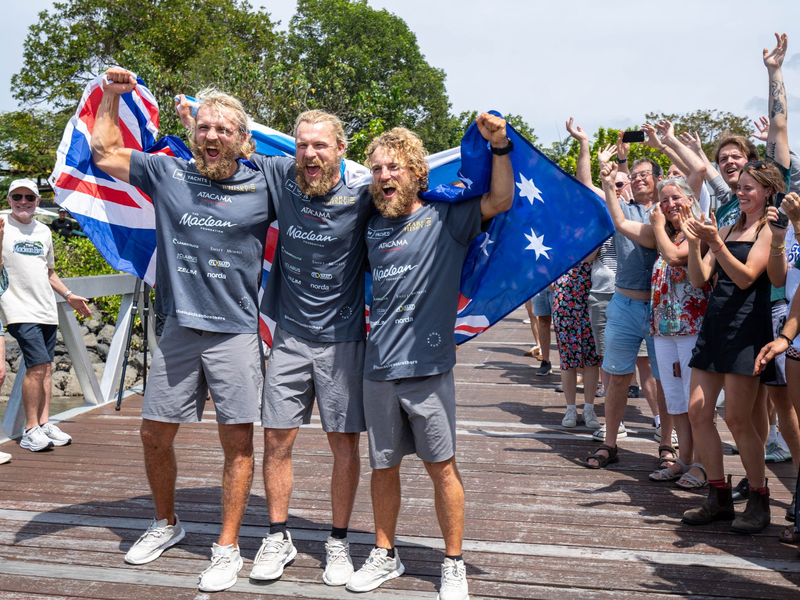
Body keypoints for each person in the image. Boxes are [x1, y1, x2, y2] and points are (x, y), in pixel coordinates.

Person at [91, 68, 275, 592]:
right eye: (204, 129)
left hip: (236, 331)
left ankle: (227, 547)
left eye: (224, 130)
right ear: (193, 135)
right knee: (153, 433)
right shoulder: (167, 172)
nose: (212, 137)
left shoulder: (265, 180)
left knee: (237, 441)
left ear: (243, 139)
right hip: (177, 327)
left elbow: (322, 185)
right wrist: (110, 93)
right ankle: (167, 524)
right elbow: (104, 151)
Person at [346, 116, 513, 599]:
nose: (383, 176)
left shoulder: (447, 217)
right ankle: (385, 553)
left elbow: (500, 201)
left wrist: (499, 146)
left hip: (429, 371)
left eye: (393, 167)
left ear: (417, 173)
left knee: (442, 468)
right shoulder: (371, 225)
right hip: (377, 370)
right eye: (376, 169)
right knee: (383, 467)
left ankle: (453, 562)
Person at [238, 110, 373, 587]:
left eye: (320, 145)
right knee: (276, 439)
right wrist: (195, 115)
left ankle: (337, 541)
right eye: (302, 145)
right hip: (290, 337)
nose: (310, 154)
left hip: (343, 341)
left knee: (344, 444)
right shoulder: (282, 176)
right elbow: (232, 148)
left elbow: (414, 208)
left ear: (340, 148)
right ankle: (278, 536)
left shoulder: (364, 194)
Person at [679, 157, 784, 533]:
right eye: (738, 187)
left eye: (748, 188)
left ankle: (759, 498)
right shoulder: (723, 228)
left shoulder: (769, 232)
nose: (740, 193)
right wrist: (695, 244)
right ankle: (718, 495)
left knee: (738, 419)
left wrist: (715, 244)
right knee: (697, 412)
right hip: (715, 325)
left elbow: (746, 278)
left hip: (747, 330)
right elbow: (699, 277)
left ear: (768, 191)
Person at [583, 156, 673, 469]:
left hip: (660, 308)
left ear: (658, 178)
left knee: (663, 380)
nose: (636, 179)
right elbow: (586, 185)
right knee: (618, 377)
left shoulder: (668, 209)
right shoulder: (622, 208)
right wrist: (605, 178)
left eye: (644, 174)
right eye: (633, 175)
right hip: (622, 304)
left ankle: (666, 444)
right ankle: (610, 443)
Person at [1, 178, 91, 454]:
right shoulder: (2, 225)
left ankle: (43, 423)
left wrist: (68, 295)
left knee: (47, 367)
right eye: (18, 197)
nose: (23, 202)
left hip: (45, 308)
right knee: (37, 365)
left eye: (30, 197)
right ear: (9, 200)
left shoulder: (43, 231)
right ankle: (29, 430)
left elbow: (48, 271)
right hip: (16, 308)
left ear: (38, 202)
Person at [646, 179, 711, 488]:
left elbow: (674, 256)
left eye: (676, 197)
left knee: (694, 399)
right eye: (664, 200)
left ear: (690, 198)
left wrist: (657, 225)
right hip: (663, 327)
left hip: (692, 327)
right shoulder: (668, 234)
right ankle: (684, 459)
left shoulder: (699, 228)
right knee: (675, 401)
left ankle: (702, 463)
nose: (670, 204)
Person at [552, 261, 601, 429]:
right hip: (565, 297)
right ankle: (570, 409)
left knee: (592, 357)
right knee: (567, 358)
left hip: (593, 293)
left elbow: (591, 256)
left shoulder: (594, 234)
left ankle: (589, 408)